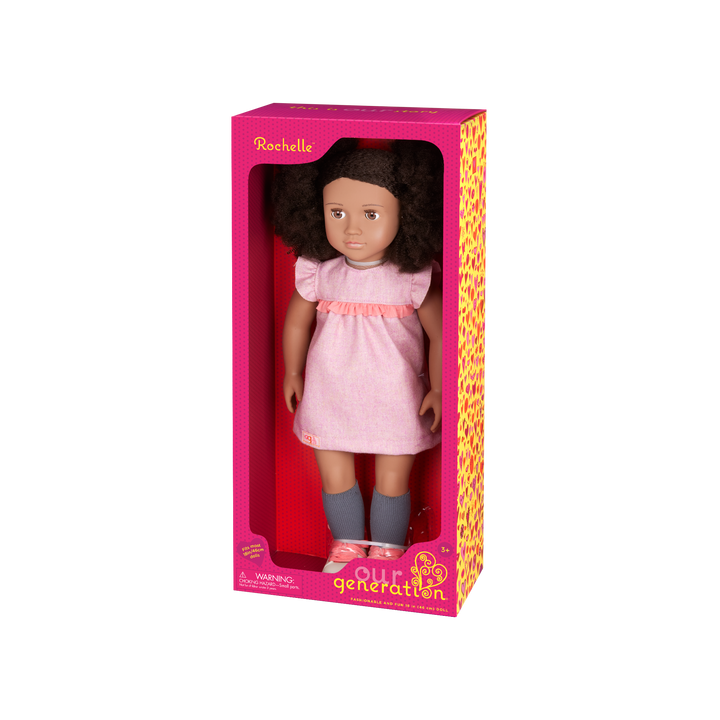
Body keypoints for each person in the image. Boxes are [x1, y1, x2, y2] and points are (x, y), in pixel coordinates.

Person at [273, 138, 443, 573]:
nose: (352, 228)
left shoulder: (411, 278)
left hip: (396, 397)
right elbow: (296, 324)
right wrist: (293, 372)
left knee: (393, 477)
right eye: (337, 213)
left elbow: (442, 334)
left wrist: (442, 388)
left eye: (371, 214)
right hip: (330, 391)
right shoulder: (319, 272)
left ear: (406, 214)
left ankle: (387, 550)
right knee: (335, 474)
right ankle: (346, 546)